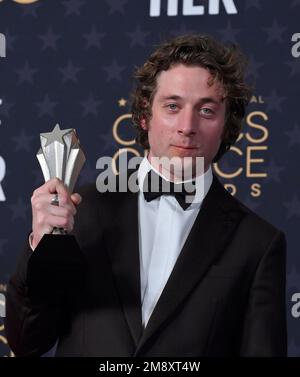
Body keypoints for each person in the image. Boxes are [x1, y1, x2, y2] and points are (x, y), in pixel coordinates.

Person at [5, 34, 287, 357]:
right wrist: (40, 247)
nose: (187, 126)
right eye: (172, 106)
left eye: (206, 111)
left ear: (227, 125)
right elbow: (27, 341)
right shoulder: (80, 213)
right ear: (143, 114)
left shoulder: (257, 244)